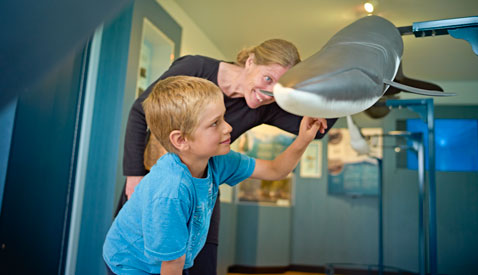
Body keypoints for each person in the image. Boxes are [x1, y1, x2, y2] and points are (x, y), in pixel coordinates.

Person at [120, 39, 338, 274]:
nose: (270, 92)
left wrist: (337, 84)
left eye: (281, 86)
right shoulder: (195, 69)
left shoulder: (261, 106)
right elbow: (141, 110)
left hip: (203, 189)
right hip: (156, 184)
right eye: (268, 79)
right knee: (141, 259)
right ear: (251, 61)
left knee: (200, 263)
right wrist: (134, 175)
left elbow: (312, 130)